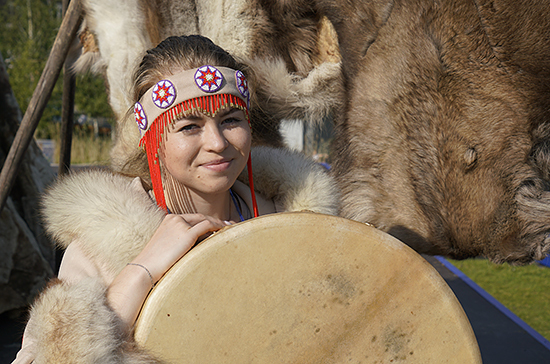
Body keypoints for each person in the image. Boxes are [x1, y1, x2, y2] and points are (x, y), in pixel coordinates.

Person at [12, 35, 339, 363]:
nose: (216, 142)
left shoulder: (295, 225)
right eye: (189, 127)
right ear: (152, 140)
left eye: (230, 120)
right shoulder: (98, 249)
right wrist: (141, 270)